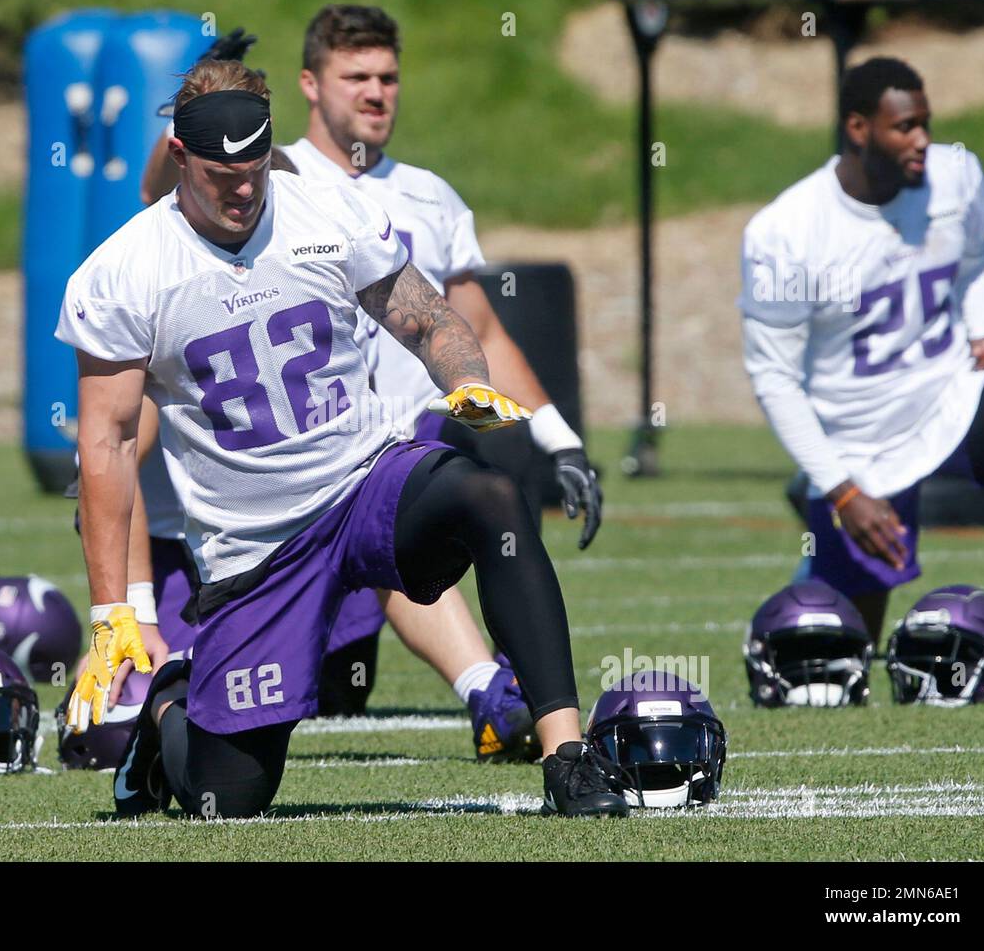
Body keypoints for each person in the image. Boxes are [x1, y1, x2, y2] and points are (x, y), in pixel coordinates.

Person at [56, 59, 626, 818]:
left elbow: (430, 318)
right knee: (229, 797)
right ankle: (169, 708)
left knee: (489, 496)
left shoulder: (327, 209)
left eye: (254, 164)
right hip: (254, 549)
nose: (242, 187)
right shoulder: (125, 271)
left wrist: (464, 379)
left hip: (364, 481)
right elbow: (109, 441)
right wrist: (111, 613)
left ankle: (567, 756)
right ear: (182, 158)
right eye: (221, 172)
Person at [739, 57, 984, 642]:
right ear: (859, 129)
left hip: (952, 390)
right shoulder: (786, 231)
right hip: (860, 438)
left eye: (926, 123)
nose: (923, 141)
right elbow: (774, 379)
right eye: (905, 127)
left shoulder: (956, 175)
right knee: (839, 653)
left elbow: (979, 256)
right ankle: (808, 587)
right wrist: (844, 489)